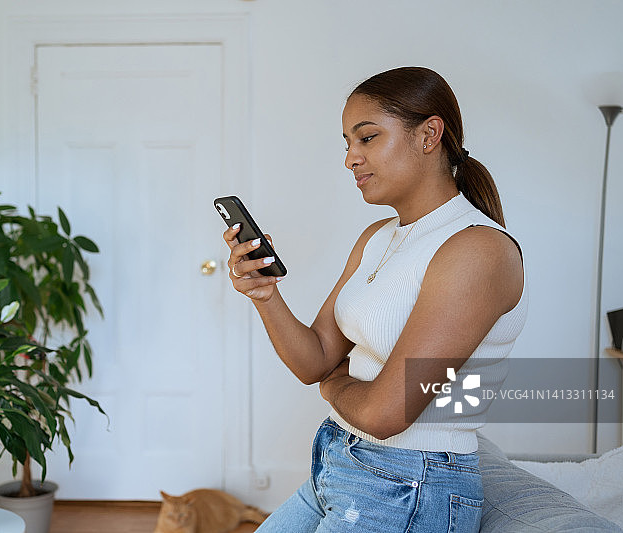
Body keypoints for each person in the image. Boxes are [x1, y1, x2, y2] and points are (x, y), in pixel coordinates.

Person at [222, 66, 527, 532]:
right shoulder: (376, 238)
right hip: (338, 462)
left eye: (367, 138)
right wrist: (265, 294)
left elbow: (385, 415)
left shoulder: (478, 250)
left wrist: (333, 384)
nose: (350, 159)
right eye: (347, 142)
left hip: (407, 483)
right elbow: (315, 361)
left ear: (429, 134)